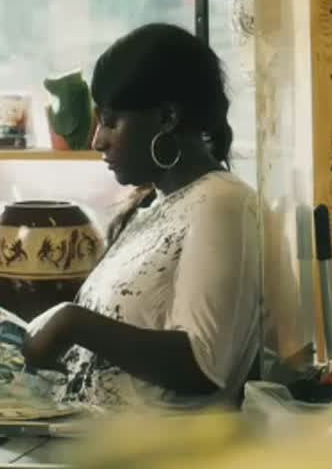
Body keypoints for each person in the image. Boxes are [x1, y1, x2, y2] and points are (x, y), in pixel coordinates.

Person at [23, 23, 271, 408]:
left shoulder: (222, 203)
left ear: (168, 117)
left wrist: (73, 322)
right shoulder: (150, 207)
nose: (97, 140)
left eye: (111, 121)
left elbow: (203, 364)